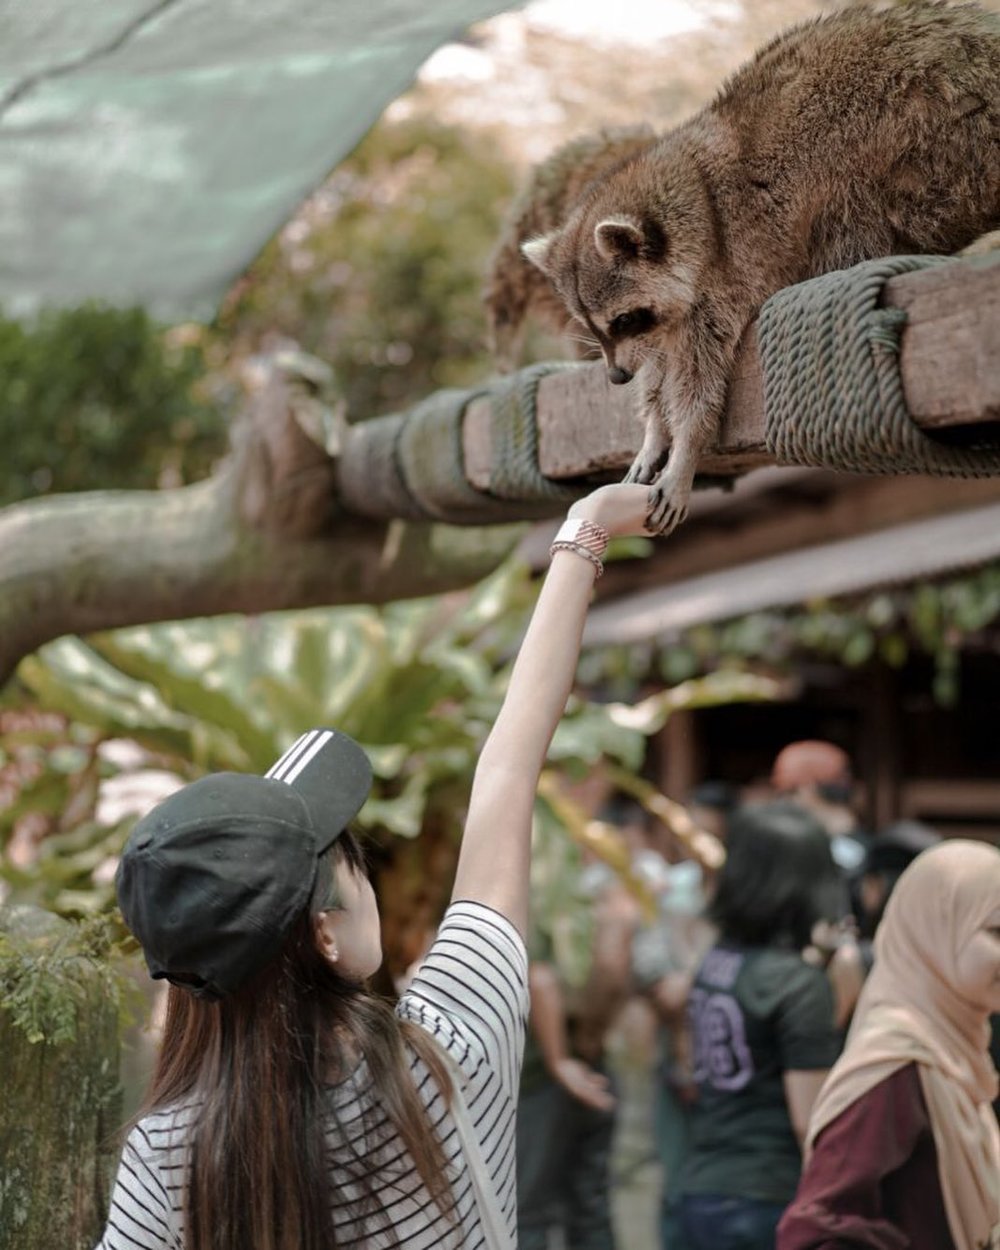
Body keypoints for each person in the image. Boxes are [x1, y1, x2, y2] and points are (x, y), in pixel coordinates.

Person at [95, 481, 653, 1250]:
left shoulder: (163, 1159)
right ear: (324, 932)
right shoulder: (448, 1052)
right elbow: (508, 767)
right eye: (354, 860)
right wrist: (585, 531)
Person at [777, 840, 1000, 1250]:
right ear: (935, 931)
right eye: (997, 932)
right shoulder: (897, 1063)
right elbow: (821, 1228)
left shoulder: (956, 1048)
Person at [676, 800, 845, 1250]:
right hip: (767, 1196)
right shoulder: (798, 983)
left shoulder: (716, 960)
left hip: (701, 1186)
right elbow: (809, 1121)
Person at [516, 855, 638, 1250]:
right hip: (593, 1062)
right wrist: (592, 1036)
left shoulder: (535, 884)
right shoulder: (601, 885)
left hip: (543, 1074)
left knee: (527, 1210)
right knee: (591, 1204)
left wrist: (560, 1059)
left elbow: (541, 978)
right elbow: (617, 963)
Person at [770, 740, 870, 876]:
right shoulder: (783, 843)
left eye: (791, 793)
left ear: (809, 788)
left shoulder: (844, 845)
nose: (784, 802)